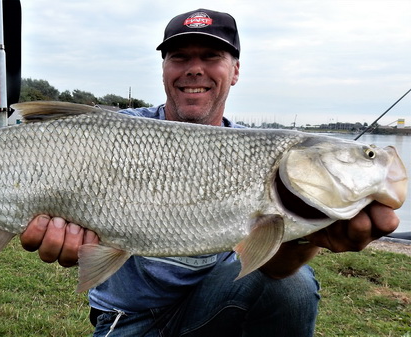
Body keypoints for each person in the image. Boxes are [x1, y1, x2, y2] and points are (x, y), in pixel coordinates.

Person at [20, 8, 400, 336]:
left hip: (215, 307)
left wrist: (308, 236)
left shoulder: (257, 151)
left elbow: (273, 272)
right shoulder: (121, 131)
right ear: (164, 68)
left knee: (295, 285)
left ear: (234, 70)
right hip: (127, 319)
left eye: (211, 56)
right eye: (179, 57)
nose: (194, 69)